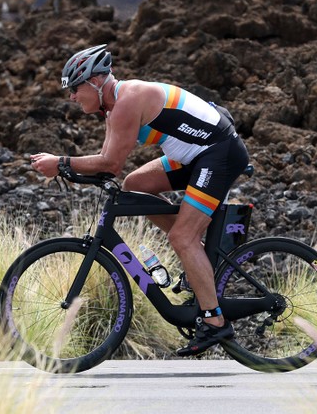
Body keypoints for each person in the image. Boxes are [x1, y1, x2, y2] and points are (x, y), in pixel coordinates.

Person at [30, 44, 250, 356]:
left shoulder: (127, 101)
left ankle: (215, 322)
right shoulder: (112, 109)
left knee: (181, 238)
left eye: (75, 89)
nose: (72, 98)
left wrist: (61, 163)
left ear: (95, 83)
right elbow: (114, 169)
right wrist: (70, 170)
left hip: (218, 153)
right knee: (136, 185)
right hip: (194, 156)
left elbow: (110, 163)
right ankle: (196, 253)